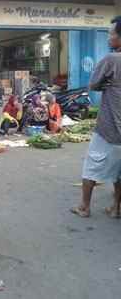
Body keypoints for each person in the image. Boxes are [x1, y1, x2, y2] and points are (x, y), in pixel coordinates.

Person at [70, 16, 121, 219]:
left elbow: (93, 84)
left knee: (91, 166)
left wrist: (103, 85)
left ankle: (85, 206)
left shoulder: (112, 60)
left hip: (109, 125)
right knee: (119, 171)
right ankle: (115, 208)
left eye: (110, 34)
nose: (108, 38)